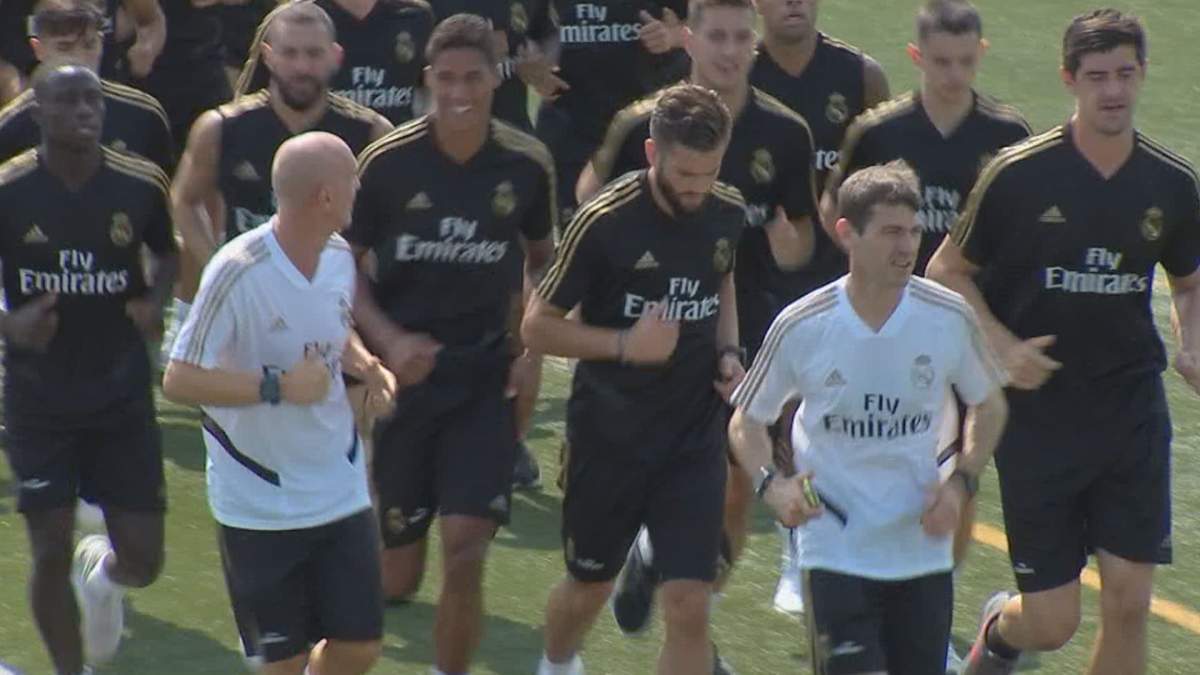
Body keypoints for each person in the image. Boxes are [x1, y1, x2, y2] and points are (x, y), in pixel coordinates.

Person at [926, 10, 1200, 675]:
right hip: (1039, 418)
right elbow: (945, 273)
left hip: (1130, 409)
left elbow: (1189, 281)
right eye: (1098, 76)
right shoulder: (1018, 177)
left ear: (1142, 76)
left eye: (1125, 75)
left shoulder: (1172, 184)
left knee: (1130, 601)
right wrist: (1002, 349)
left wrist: (1190, 341)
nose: (1113, 91)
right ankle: (1001, 630)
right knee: (1052, 619)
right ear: (1069, 79)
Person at [574, 1, 817, 663]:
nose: (730, 50)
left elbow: (801, 245)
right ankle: (686, 627)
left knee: (738, 496)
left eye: (743, 37)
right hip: (647, 347)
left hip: (745, 340)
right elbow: (588, 198)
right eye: (717, 35)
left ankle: (680, 604)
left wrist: (787, 240)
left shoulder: (785, 132)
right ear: (690, 37)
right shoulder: (640, 124)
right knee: (691, 482)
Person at [729, 160, 1008, 675]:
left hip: (919, 548)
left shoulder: (946, 317)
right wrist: (773, 487)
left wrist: (960, 485)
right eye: (890, 233)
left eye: (914, 231)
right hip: (833, 543)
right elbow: (747, 419)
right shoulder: (804, 324)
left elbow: (990, 405)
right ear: (847, 234)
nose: (907, 247)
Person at [346, 14, 556, 675]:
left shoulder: (525, 164)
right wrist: (387, 339)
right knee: (396, 576)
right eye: (446, 78)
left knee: (466, 550)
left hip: (482, 374)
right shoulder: (386, 163)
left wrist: (530, 348)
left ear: (496, 79)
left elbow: (541, 260)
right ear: (426, 80)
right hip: (404, 377)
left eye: (474, 77)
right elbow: (341, 265)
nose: (460, 91)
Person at [822, 3, 1030, 668]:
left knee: (956, 479)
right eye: (940, 62)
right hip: (883, 328)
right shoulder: (879, 131)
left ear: (981, 53)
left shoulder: (1006, 134)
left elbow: (1020, 236)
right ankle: (856, 589)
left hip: (961, 330)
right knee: (886, 467)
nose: (952, 74)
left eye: (965, 62)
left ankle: (930, 612)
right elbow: (837, 209)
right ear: (917, 58)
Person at [525, 82, 745, 675]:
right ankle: (558, 663)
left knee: (689, 602)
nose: (697, 187)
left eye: (709, 171)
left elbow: (722, 280)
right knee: (588, 585)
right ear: (652, 153)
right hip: (609, 436)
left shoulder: (727, 212)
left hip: (693, 435)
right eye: (684, 173)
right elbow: (537, 328)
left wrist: (729, 351)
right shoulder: (603, 223)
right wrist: (625, 344)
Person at [162, 131, 395, 675]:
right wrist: (277, 388)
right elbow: (178, 378)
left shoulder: (337, 257)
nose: (359, 187)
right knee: (281, 663)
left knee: (359, 646)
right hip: (258, 499)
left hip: (338, 484)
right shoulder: (236, 271)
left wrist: (366, 365)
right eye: (350, 178)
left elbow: (334, 328)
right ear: (325, 197)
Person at [0, 63, 178, 675]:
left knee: (146, 559)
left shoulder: (140, 184)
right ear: (37, 114)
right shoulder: (9, 189)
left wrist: (154, 303)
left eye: (93, 100)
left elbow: (167, 251)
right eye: (69, 100)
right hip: (38, 395)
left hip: (121, 393)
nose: (85, 110)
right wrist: (10, 325)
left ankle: (102, 576)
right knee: (48, 546)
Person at [747, 0, 891, 615]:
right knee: (773, 421)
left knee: (840, 418)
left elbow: (878, 174)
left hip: (842, 276)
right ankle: (794, 547)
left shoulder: (861, 77)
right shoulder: (736, 70)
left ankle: (836, 553)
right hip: (758, 274)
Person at [167, 0, 391, 362]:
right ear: (268, 56)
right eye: (290, 53)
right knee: (236, 407)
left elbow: (390, 221)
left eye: (314, 54)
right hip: (250, 307)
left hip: (333, 308)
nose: (302, 67)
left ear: (336, 56)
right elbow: (184, 200)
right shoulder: (222, 127)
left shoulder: (370, 133)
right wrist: (219, 267)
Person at [428, 0, 561, 490]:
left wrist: (538, 64)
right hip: (437, 160)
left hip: (511, 162)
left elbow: (548, 34)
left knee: (521, 319)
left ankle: (510, 441)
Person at [537, 0, 689, 224]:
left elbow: (714, 18)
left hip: (643, 137)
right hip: (569, 136)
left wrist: (674, 35)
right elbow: (516, 32)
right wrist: (532, 66)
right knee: (575, 241)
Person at [0, 0, 172, 170]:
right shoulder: (11, 125)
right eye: (64, 47)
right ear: (38, 49)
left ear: (101, 43)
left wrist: (146, 49)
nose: (79, 58)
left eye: (89, 46)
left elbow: (157, 189)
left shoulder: (142, 116)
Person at [235, 0, 436, 125]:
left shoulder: (416, 16)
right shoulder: (291, 21)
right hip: (316, 163)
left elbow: (435, 88)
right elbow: (245, 108)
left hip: (388, 165)